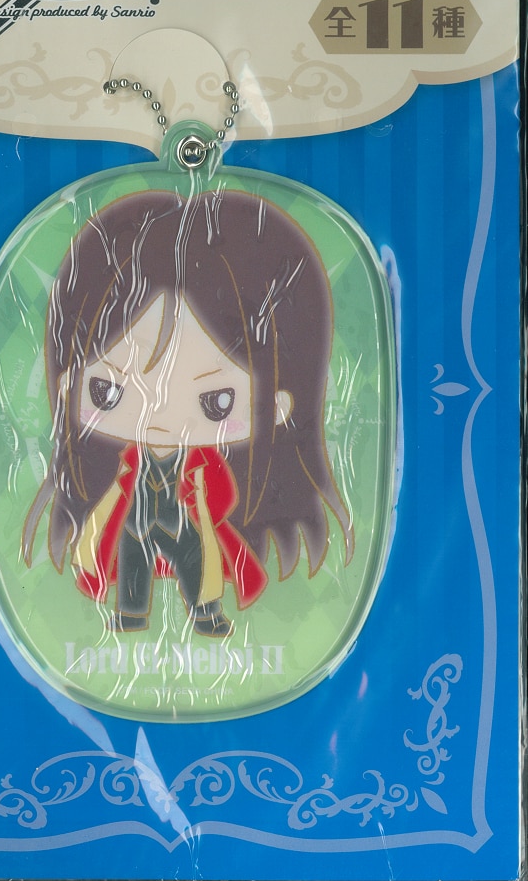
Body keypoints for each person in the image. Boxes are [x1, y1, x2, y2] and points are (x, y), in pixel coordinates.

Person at [22, 187, 353, 636]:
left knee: (198, 565)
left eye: (217, 401)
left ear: (280, 404)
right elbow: (117, 493)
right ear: (67, 383)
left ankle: (206, 612)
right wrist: (99, 524)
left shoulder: (201, 465)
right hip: (141, 523)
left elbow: (223, 498)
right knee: (133, 560)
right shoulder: (128, 462)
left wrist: (198, 500)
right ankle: (131, 612)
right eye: (107, 392)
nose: (158, 414)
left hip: (186, 523)